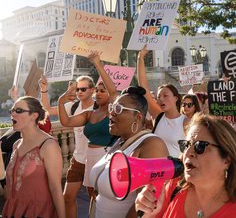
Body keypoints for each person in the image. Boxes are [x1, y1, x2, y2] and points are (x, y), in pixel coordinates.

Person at [135, 114, 236, 218]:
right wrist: (149, 215)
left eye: (200, 146)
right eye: (186, 145)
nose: (188, 153)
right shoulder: (172, 188)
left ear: (227, 159)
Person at [89, 86, 169, 218]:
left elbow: (146, 207)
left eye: (118, 109)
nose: (111, 113)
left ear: (137, 117)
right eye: (111, 108)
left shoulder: (151, 146)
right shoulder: (119, 142)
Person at [57, 52, 118, 214]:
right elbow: (66, 122)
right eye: (96, 90)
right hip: (86, 159)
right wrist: (60, 102)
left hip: (104, 159)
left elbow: (113, 92)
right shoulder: (90, 114)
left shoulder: (113, 112)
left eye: (101, 91)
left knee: (100, 200)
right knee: (89, 199)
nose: (98, 93)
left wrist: (98, 64)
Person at [39, 74, 95, 218]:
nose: (79, 92)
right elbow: (48, 110)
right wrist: (44, 90)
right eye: (77, 89)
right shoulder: (73, 106)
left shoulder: (99, 108)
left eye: (83, 89)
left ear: (92, 90)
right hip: (77, 160)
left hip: (94, 161)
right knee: (67, 198)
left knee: (94, 200)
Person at [2, 96, 65, 218]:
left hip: (39, 213)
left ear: (34, 115)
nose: (13, 114)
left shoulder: (48, 145)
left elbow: (56, 189)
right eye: (12, 111)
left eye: (19, 111)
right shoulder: (16, 145)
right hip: (13, 211)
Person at [137, 45, 187, 157]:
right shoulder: (158, 117)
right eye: (159, 97)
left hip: (176, 171)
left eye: (165, 95)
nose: (161, 99)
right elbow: (144, 89)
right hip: (156, 170)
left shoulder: (186, 122)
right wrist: (140, 58)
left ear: (176, 98)